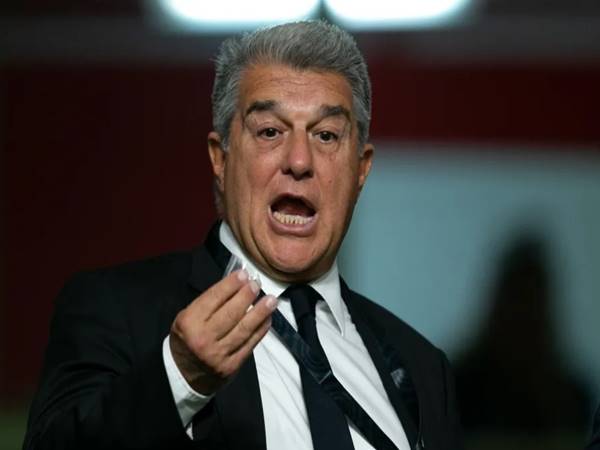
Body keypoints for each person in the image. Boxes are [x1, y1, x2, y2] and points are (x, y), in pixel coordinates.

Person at [23, 21, 462, 450]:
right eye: (270, 131)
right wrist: (179, 376)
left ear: (361, 169)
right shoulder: (118, 312)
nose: (299, 161)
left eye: (326, 135)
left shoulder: (423, 368)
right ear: (220, 158)